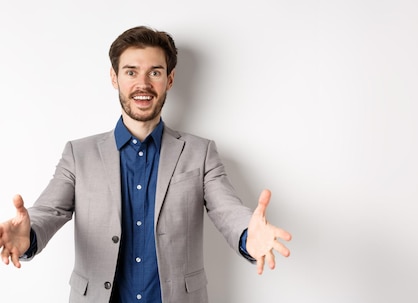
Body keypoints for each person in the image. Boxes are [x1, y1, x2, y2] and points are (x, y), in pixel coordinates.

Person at [0, 25, 292, 303]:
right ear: (114, 78)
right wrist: (29, 235)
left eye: (155, 72)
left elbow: (227, 210)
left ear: (170, 79)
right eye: (131, 72)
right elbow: (50, 210)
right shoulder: (79, 154)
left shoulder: (200, 152)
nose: (143, 84)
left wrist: (247, 237)